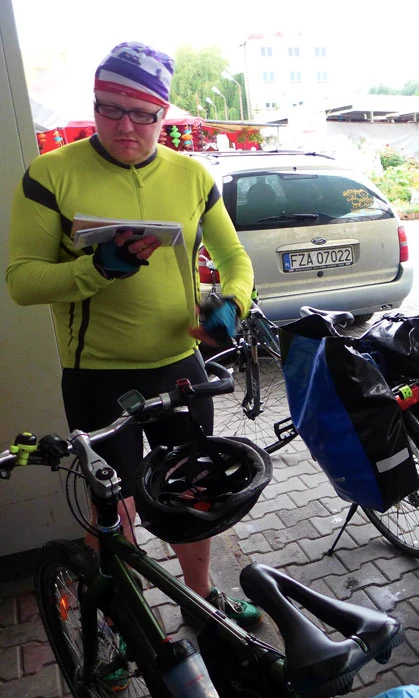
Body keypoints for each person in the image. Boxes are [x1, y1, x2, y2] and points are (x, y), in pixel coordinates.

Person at [6, 42, 262, 629]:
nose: (125, 125)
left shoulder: (192, 175)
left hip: (179, 365)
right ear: (95, 103)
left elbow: (235, 259)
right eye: (110, 108)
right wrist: (96, 269)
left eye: (142, 113)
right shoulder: (51, 174)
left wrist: (232, 303)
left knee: (194, 491)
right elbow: (21, 281)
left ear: (162, 114)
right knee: (111, 506)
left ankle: (202, 599)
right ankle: (126, 623)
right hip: (98, 373)